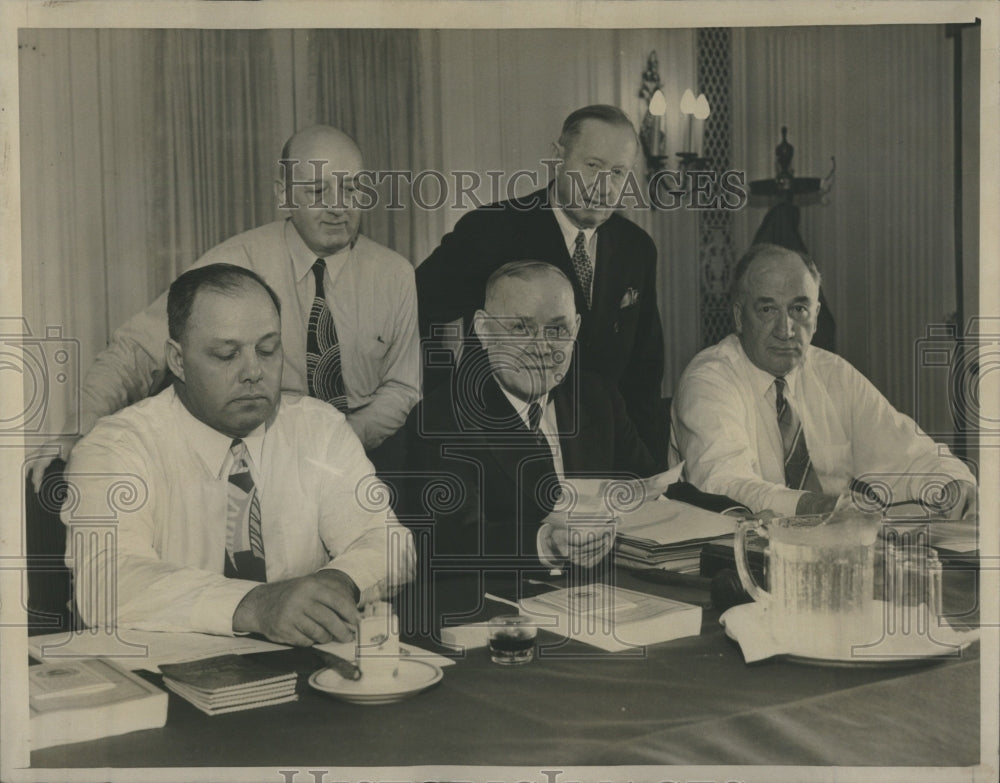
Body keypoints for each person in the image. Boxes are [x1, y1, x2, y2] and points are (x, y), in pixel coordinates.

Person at [32, 124, 418, 487]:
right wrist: (81, 423)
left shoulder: (396, 275)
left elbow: (402, 388)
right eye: (318, 192)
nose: (338, 207)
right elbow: (138, 349)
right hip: (259, 464)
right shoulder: (234, 262)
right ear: (283, 195)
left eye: (351, 189)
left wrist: (344, 439)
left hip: (365, 461)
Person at [62, 264, 414, 645]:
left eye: (268, 349)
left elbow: (384, 540)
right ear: (177, 361)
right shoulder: (115, 448)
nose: (253, 372)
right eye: (226, 355)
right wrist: (256, 604)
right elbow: (108, 580)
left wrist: (338, 581)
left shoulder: (319, 429)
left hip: (302, 671)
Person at [416, 105, 665, 459]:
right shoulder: (491, 230)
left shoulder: (637, 249)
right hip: (499, 451)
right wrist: (447, 409)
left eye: (618, 172)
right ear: (557, 157)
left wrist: (650, 468)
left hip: (601, 455)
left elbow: (645, 370)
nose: (603, 186)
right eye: (592, 166)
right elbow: (422, 312)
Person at [671, 243, 977, 518]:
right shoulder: (709, 379)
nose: (786, 329)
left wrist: (952, 484)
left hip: (830, 552)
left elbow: (911, 455)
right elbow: (722, 484)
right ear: (739, 317)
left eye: (799, 309)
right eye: (767, 309)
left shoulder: (833, 373)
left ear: (816, 316)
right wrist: (814, 506)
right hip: (723, 561)